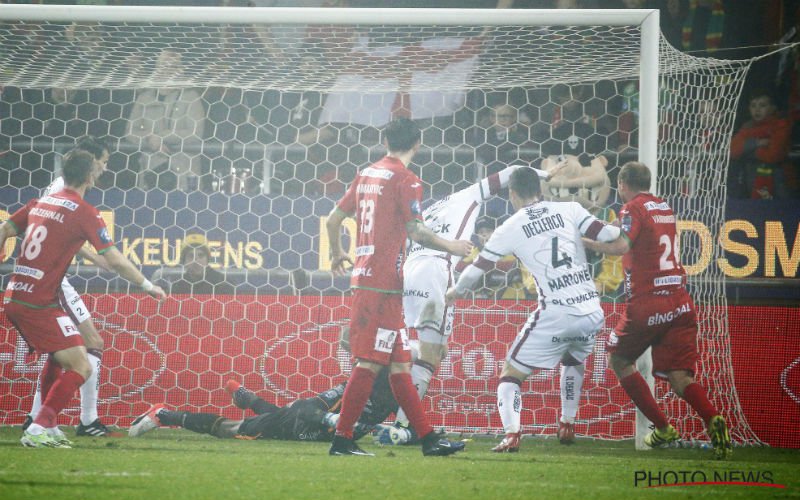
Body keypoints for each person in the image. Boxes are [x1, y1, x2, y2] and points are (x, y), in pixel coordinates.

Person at [445, 166, 622, 452]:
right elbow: (609, 234)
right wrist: (628, 225)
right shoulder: (570, 209)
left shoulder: (510, 227)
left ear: (513, 194)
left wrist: (455, 292)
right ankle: (567, 423)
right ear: (540, 190)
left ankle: (512, 434)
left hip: (556, 312)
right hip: (591, 311)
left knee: (510, 375)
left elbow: (477, 270)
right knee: (573, 359)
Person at [324, 117, 472, 456]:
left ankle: (429, 440)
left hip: (375, 284)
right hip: (383, 286)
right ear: (417, 144)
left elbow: (333, 219)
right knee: (369, 364)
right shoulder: (407, 180)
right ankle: (342, 439)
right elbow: (417, 231)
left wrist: (337, 253)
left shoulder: (366, 174)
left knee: (401, 365)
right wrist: (453, 247)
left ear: (385, 140)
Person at [0, 149, 166, 448]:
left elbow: (6, 229)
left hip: (18, 295)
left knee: (64, 353)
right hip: (37, 303)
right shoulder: (84, 211)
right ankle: (37, 428)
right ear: (90, 176)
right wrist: (146, 284)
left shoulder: (41, 202)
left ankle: (46, 424)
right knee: (82, 365)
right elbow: (114, 259)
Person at [582, 161, 733, 460]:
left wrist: (584, 242)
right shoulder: (663, 206)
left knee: (621, 359)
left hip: (648, 302)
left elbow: (621, 246)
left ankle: (663, 427)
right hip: (679, 302)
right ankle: (712, 417)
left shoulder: (632, 209)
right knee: (680, 378)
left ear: (623, 184)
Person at [392, 164, 549, 441]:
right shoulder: (468, 196)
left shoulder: (430, 210)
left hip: (410, 274)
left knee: (436, 352)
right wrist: (545, 174)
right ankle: (403, 428)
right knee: (431, 355)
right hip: (435, 271)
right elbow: (511, 172)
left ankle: (400, 405)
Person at [129, 327, 401, 442]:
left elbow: (405, 422)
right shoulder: (355, 384)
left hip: (301, 424)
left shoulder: (394, 387)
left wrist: (403, 435)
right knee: (231, 430)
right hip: (297, 425)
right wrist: (335, 420)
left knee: (276, 412)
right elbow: (304, 410)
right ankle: (163, 414)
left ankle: (246, 397)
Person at [22, 136, 118, 438]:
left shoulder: (61, 188)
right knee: (92, 343)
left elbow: (64, 235)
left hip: (49, 278)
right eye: (103, 161)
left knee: (60, 351)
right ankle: (87, 421)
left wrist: (93, 257)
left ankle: (36, 417)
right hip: (52, 281)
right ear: (90, 162)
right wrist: (100, 257)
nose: (104, 168)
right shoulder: (64, 191)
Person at [124, 49, 206, 192]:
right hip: (150, 173)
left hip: (184, 174)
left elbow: (195, 133)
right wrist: (149, 138)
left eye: (174, 67)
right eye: (164, 66)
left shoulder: (191, 97)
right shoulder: (144, 98)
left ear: (181, 70)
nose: (168, 71)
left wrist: (160, 137)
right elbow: (130, 131)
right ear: (157, 68)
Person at [729, 90, 794, 200]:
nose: (757, 110)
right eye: (753, 106)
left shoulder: (781, 125)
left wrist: (746, 151)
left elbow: (773, 155)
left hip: (779, 182)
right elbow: (731, 150)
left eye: (762, 105)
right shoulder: (747, 127)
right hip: (750, 182)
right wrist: (756, 144)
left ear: (772, 108)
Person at [162, 233, 234, 295]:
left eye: (201, 255)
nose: (195, 261)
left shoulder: (223, 283)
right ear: (184, 261)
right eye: (191, 256)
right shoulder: (177, 287)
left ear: (207, 260)